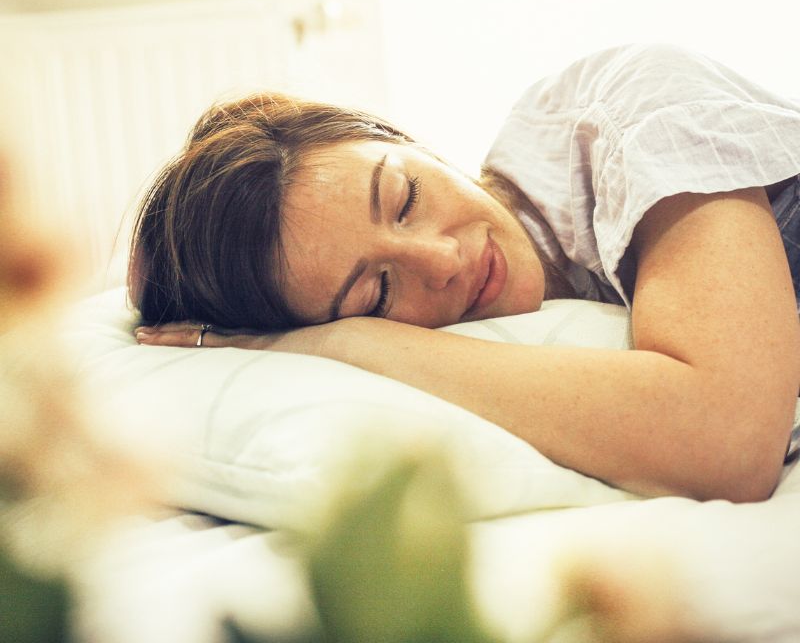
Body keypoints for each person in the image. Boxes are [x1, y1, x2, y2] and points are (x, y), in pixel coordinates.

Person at [131, 43, 800, 503]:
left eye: (405, 198)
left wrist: (357, 337)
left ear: (403, 141)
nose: (443, 260)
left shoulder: (630, 109)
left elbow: (728, 440)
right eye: (379, 292)